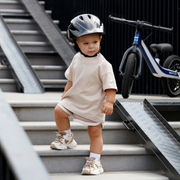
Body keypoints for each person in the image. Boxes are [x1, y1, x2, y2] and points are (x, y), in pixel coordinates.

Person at [50, 14, 117, 175]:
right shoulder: (76, 59)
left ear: (100, 40)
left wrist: (109, 102)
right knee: (59, 111)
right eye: (85, 43)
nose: (91, 46)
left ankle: (95, 161)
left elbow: (110, 87)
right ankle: (66, 137)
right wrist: (66, 93)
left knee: (94, 132)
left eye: (94, 42)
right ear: (77, 43)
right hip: (75, 99)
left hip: (94, 105)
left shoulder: (104, 65)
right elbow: (71, 78)